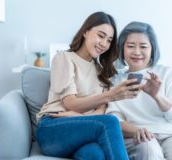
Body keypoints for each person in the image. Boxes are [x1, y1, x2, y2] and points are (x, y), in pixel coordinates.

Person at [36, 12, 142, 160]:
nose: (104, 43)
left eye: (109, 40)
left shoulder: (101, 71)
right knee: (111, 122)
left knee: (94, 154)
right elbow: (70, 103)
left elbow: (100, 112)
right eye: (101, 35)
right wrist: (110, 95)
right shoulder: (64, 58)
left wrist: (77, 116)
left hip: (82, 132)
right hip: (53, 128)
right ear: (86, 31)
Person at [106, 21, 172, 160]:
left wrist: (157, 96)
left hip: (169, 134)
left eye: (143, 46)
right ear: (122, 49)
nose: (137, 52)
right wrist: (137, 130)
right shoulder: (115, 81)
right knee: (150, 149)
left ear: (152, 49)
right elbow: (114, 121)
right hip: (138, 136)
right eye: (130, 46)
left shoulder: (167, 73)